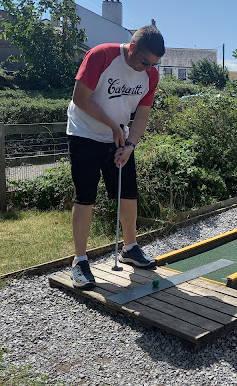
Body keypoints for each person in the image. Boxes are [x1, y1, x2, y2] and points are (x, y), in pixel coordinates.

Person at [66, 25, 165, 289]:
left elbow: (142, 114)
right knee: (85, 196)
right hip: (84, 133)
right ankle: (80, 261)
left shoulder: (150, 74)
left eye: (154, 64)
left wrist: (130, 144)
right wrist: (113, 126)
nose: (147, 69)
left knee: (128, 193)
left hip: (119, 138)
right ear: (132, 48)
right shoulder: (101, 55)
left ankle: (130, 248)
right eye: (144, 61)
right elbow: (80, 98)